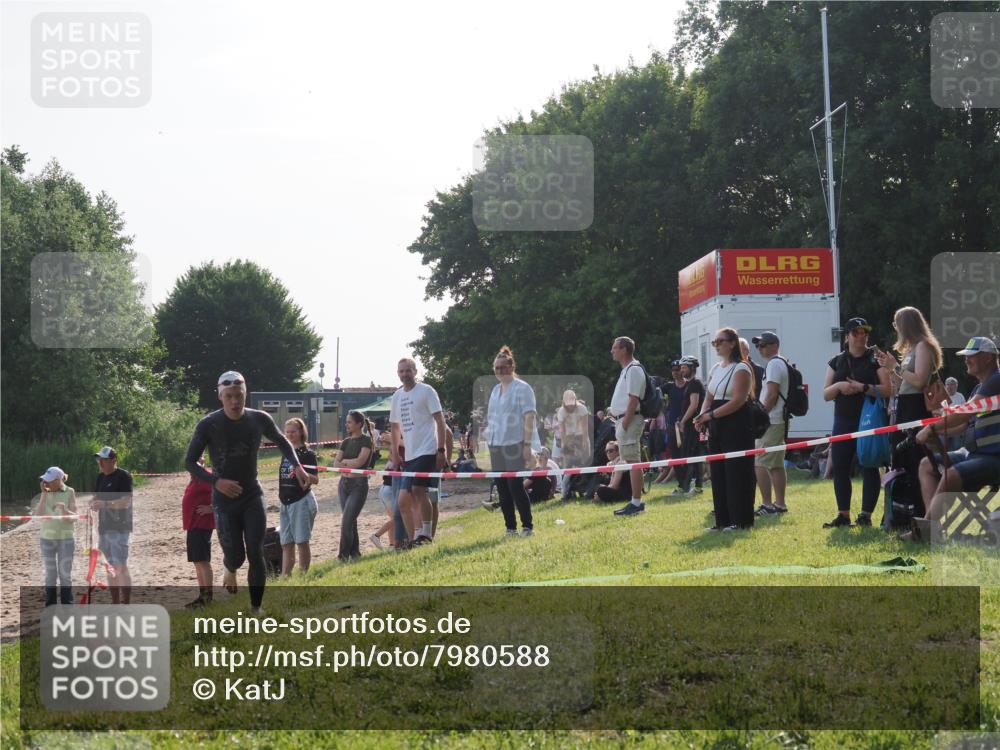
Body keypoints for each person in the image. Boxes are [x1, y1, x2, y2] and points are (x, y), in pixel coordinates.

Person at [185, 371, 308, 615]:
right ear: (220, 397)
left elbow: (282, 441)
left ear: (245, 394)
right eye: (229, 396)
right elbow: (189, 462)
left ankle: (256, 608)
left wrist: (297, 465)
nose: (235, 401)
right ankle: (229, 568)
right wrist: (216, 482)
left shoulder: (258, 419)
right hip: (223, 500)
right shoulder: (209, 424)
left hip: (252, 494)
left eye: (239, 395)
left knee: (255, 550)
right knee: (236, 557)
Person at [911, 337, 1000, 535]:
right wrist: (938, 434)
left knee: (950, 475)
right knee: (926, 465)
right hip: (972, 453)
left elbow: (962, 414)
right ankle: (932, 528)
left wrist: (931, 429)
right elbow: (963, 425)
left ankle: (925, 532)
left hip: (994, 457)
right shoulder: (979, 388)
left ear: (987, 357)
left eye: (971, 356)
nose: (966, 360)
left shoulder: (997, 380)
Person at [821, 318, 892, 528]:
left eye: (864, 333)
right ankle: (843, 515)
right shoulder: (836, 361)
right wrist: (840, 386)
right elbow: (826, 394)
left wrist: (863, 387)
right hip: (842, 419)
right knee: (840, 467)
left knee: (869, 465)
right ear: (847, 337)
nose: (861, 336)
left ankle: (865, 515)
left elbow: (888, 389)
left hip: (869, 420)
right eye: (856, 333)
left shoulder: (875, 357)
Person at [693, 328, 757, 531]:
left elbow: (738, 400)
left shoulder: (742, 368)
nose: (716, 345)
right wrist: (701, 416)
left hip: (736, 424)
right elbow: (709, 397)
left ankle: (740, 520)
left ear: (732, 343)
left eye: (720, 341)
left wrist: (710, 415)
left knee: (736, 472)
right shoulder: (716, 368)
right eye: (714, 342)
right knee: (718, 473)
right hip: (717, 424)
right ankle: (722, 520)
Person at [390, 358, 447, 546]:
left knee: (418, 490)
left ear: (415, 371)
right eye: (401, 371)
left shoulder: (426, 391)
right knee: (404, 499)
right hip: (410, 453)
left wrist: (441, 449)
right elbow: (395, 427)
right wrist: (395, 452)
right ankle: (414, 537)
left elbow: (440, 421)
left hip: (428, 449)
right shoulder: (397, 396)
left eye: (408, 370)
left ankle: (426, 534)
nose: (404, 374)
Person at [486, 345, 538, 537]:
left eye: (503, 367)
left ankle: (527, 526)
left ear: (512, 366)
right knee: (502, 489)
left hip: (515, 444)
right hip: (496, 444)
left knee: (515, 487)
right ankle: (510, 528)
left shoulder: (523, 388)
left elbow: (529, 417)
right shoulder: (494, 390)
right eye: (497, 368)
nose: (500, 371)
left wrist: (527, 446)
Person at [751, 332, 790, 516]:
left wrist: (761, 415)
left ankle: (767, 504)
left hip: (772, 420)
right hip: (778, 419)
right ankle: (780, 504)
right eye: (758, 346)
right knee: (776, 464)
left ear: (775, 344)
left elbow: (772, 394)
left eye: (763, 345)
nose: (760, 348)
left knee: (759, 462)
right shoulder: (781, 362)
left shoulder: (774, 364)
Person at [609, 336, 647, 516]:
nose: (612, 351)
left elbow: (634, 399)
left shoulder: (634, 369)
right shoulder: (627, 370)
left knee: (633, 461)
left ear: (624, 349)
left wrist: (624, 424)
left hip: (629, 421)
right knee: (631, 460)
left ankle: (636, 502)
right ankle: (634, 501)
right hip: (624, 420)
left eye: (615, 348)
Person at [91, 446, 134, 604]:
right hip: (103, 528)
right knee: (109, 566)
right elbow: (96, 497)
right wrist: (93, 503)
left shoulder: (123, 476)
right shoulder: (100, 477)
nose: (100, 463)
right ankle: (115, 603)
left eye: (104, 460)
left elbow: (125, 502)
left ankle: (126, 603)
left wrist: (104, 503)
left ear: (114, 460)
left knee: (120, 566)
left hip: (120, 527)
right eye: (99, 460)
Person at [278, 417, 320, 575]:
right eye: (287, 432)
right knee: (286, 542)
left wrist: (303, 475)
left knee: (301, 541)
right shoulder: (286, 452)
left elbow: (315, 479)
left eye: (293, 431)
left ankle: (303, 576)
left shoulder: (307, 453)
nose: (289, 434)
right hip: (285, 501)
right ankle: (285, 577)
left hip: (301, 500)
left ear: (301, 432)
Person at [333, 410, 375, 561]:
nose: (346, 425)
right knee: (350, 520)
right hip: (343, 484)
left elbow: (360, 462)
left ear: (359, 424)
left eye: (349, 422)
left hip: (358, 484)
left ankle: (342, 556)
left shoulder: (366, 441)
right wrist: (348, 463)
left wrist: (344, 462)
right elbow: (335, 464)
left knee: (346, 521)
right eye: (346, 422)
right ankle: (355, 553)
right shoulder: (346, 441)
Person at [34, 467, 77, 606]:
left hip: (66, 539)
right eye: (44, 481)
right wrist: (43, 494)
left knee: (65, 574)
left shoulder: (70, 491)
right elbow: (39, 515)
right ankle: (50, 605)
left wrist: (64, 510)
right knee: (50, 574)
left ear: (58, 481)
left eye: (49, 481)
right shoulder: (45, 493)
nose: (46, 483)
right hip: (47, 539)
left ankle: (67, 605)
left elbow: (74, 518)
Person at [181, 461, 215, 608]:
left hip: (202, 524)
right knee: (197, 561)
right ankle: (202, 595)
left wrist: (212, 508)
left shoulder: (207, 476)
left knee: (203, 561)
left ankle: (208, 596)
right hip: (193, 524)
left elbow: (222, 493)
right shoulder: (195, 478)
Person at [672, 356, 705, 496]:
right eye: (682, 367)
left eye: (685, 367)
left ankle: (695, 487)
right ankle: (686, 486)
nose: (682, 370)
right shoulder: (690, 384)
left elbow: (694, 405)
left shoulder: (695, 384)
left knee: (693, 456)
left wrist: (683, 421)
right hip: (690, 426)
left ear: (692, 368)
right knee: (690, 455)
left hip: (694, 426)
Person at [557, 389, 591, 469]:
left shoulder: (582, 408)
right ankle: (566, 478)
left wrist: (584, 441)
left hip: (581, 434)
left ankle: (586, 477)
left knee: (585, 460)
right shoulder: (561, 411)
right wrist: (564, 444)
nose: (570, 406)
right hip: (568, 437)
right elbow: (562, 430)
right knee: (568, 462)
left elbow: (585, 426)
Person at [945, 377, 967, 451]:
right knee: (944, 448)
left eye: (952, 384)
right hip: (944, 426)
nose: (949, 386)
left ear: (956, 386)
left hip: (957, 427)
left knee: (956, 447)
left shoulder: (960, 396)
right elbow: (935, 411)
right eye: (947, 384)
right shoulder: (941, 396)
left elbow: (965, 411)